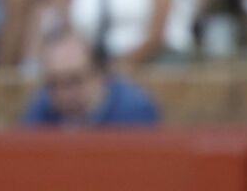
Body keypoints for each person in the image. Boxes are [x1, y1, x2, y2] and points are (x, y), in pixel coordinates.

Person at [23, 26, 161, 125]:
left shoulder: (133, 111)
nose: (64, 93)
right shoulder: (42, 108)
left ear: (101, 76)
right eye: (54, 84)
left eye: (75, 81)